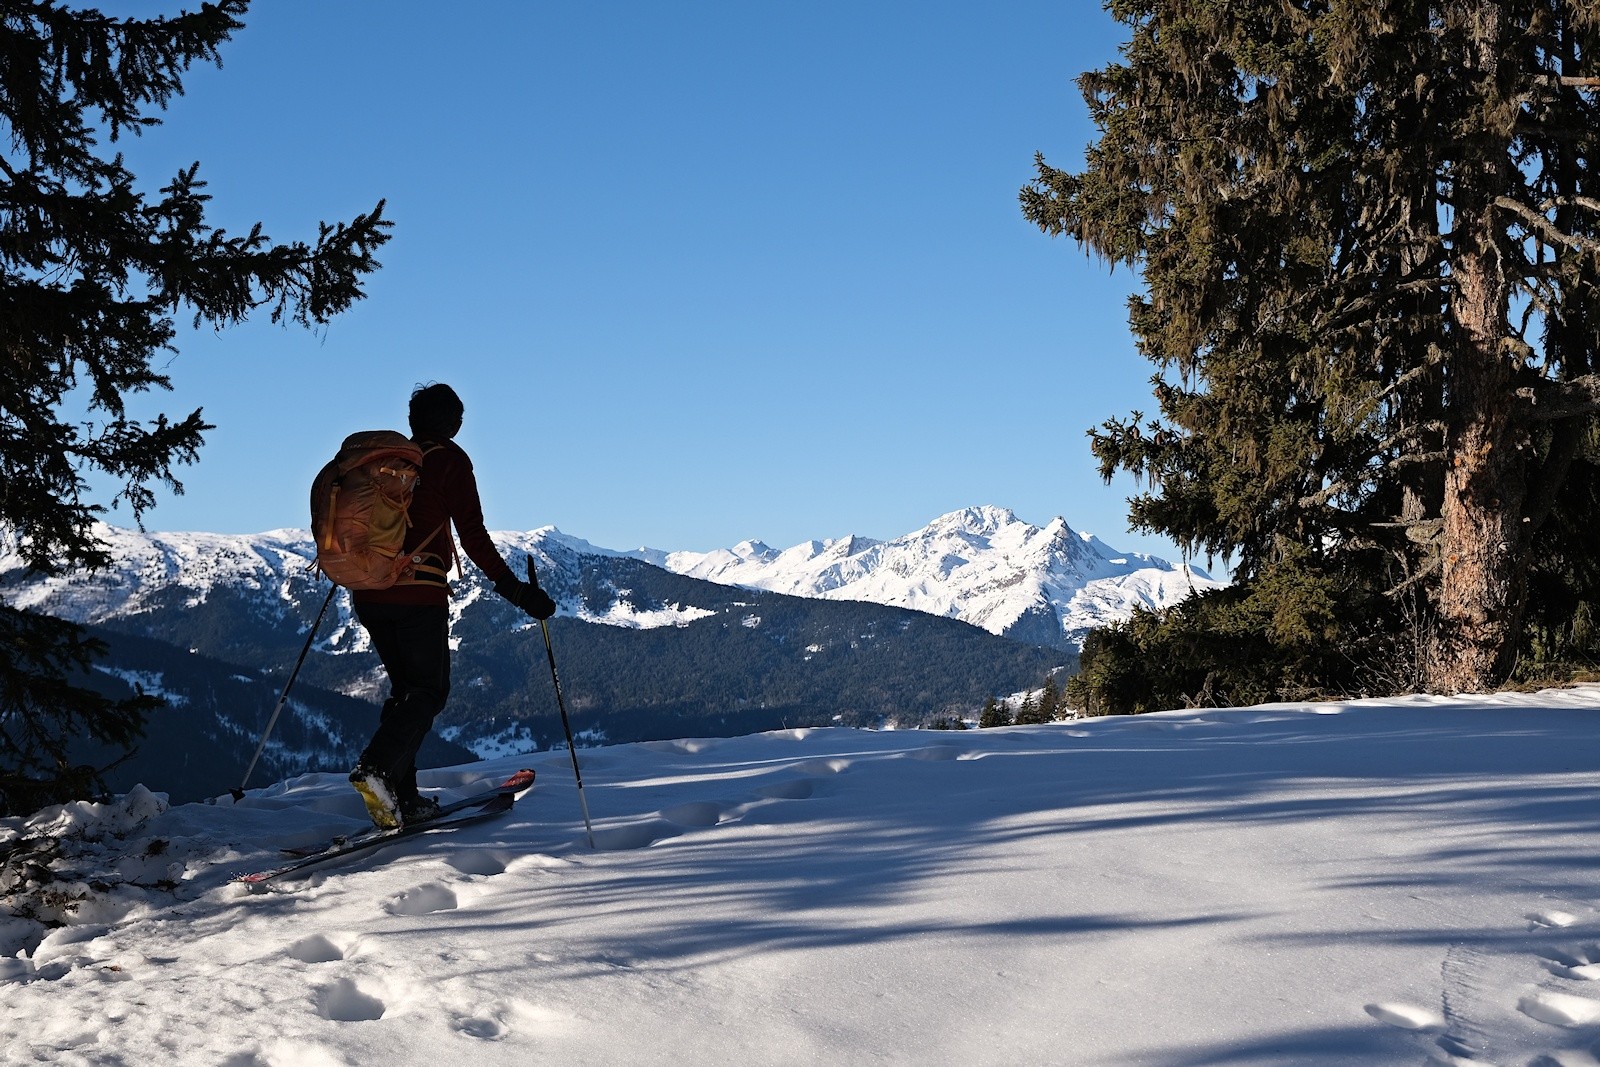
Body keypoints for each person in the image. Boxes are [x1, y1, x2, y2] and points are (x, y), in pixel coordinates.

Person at [348, 382, 555, 827]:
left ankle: (401, 797)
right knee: (428, 691)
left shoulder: (382, 463)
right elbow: (473, 535)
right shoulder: (449, 462)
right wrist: (514, 589)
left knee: (407, 692)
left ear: (412, 421)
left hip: (367, 592)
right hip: (417, 591)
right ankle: (377, 769)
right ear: (455, 425)